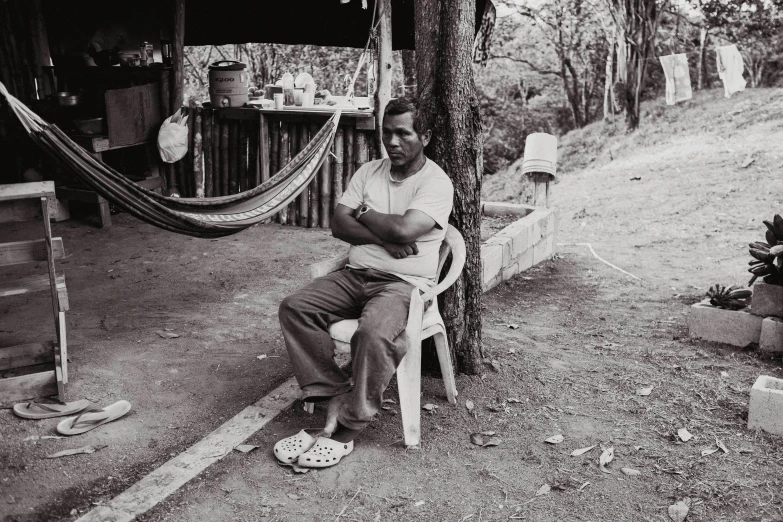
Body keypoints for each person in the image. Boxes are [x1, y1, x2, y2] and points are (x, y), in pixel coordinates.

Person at [274, 97, 454, 468]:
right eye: (387, 133)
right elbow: (340, 225)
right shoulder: (368, 172)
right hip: (355, 275)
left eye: (403, 133)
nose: (392, 142)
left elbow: (405, 229)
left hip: (403, 284)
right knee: (295, 308)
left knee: (372, 333)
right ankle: (332, 394)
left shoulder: (436, 183)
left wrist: (367, 214)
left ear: (426, 136)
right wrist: (383, 238)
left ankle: (349, 428)